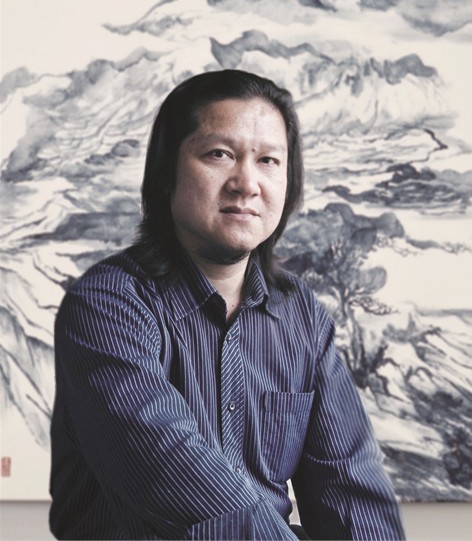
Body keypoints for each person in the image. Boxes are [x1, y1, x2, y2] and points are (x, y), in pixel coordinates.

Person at [49, 69, 405, 540]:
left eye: (268, 160)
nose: (247, 183)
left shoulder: (302, 316)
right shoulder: (107, 305)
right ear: (166, 173)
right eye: (219, 154)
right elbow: (181, 479)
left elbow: (351, 491)